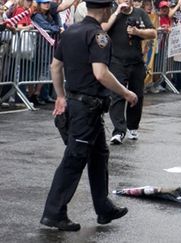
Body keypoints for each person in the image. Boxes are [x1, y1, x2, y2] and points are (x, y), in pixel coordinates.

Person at [40, 0, 138, 231]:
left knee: (99, 155)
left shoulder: (71, 31)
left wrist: (61, 96)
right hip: (86, 107)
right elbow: (101, 73)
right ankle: (54, 213)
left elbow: (55, 66)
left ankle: (103, 208)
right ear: (105, 10)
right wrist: (126, 93)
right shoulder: (98, 36)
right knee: (74, 159)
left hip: (80, 105)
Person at [102, 0, 156, 144]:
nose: (124, 1)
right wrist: (116, 12)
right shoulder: (112, 13)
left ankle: (133, 127)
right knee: (117, 95)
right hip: (116, 61)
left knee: (136, 95)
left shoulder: (140, 13)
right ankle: (118, 130)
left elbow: (153, 32)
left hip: (136, 61)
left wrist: (138, 32)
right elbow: (103, 28)